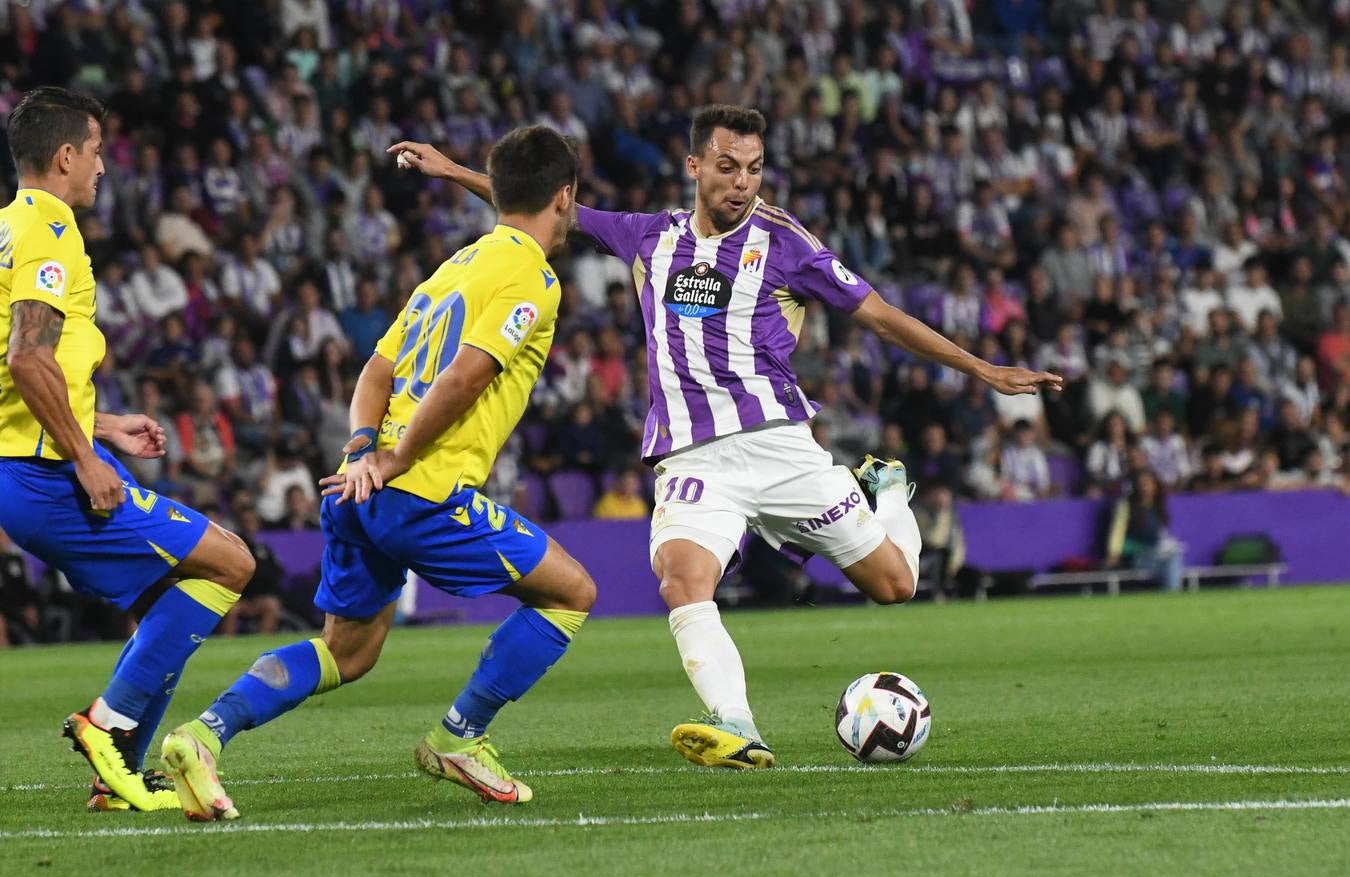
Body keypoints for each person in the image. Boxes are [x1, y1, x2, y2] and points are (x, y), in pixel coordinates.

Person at [391, 104, 1061, 769]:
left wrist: (981, 368)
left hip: (780, 447)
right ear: (695, 166)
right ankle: (738, 728)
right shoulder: (649, 235)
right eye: (728, 166)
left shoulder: (787, 243)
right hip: (692, 457)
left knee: (895, 585)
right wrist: (451, 170)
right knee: (683, 581)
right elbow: (547, 208)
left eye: (754, 169)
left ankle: (885, 489)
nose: (743, 182)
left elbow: (880, 316)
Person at [161, 125, 595, 819]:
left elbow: (377, 368)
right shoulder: (532, 279)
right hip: (422, 493)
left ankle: (204, 734)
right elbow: (465, 378)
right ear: (565, 197)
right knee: (570, 591)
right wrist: (396, 459)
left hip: (355, 487)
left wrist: (365, 447)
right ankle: (461, 736)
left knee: (347, 651)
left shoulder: (454, 267)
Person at [0, 87, 255, 813]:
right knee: (231, 563)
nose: (105, 168)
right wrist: (85, 455)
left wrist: (103, 426)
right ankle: (104, 725)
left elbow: (14, 368)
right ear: (65, 156)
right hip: (48, 475)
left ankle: (118, 777)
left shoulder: (6, 230)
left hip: (26, 463)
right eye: (99, 151)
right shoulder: (49, 228)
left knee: (164, 601)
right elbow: (25, 359)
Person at [1104, 470, 1184, 591]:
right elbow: (1118, 531)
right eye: (1141, 484)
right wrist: (1113, 553)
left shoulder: (1158, 508)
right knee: (1170, 558)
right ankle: (1172, 594)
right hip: (1136, 556)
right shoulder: (1126, 505)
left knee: (1173, 556)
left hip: (1157, 555)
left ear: (1155, 486)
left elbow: (1161, 535)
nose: (1144, 488)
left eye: (1148, 484)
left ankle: (1171, 592)